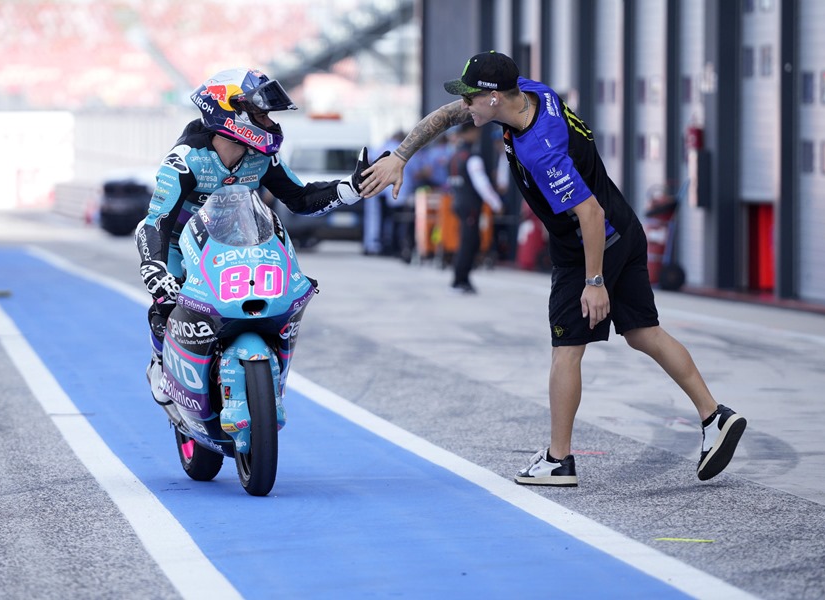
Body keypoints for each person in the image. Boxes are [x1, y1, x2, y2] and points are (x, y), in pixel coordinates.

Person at [360, 51, 746, 486]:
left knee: (567, 350)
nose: (463, 106)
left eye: (469, 97)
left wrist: (594, 281)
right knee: (643, 332)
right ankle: (714, 416)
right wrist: (401, 155)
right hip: (627, 227)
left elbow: (591, 214)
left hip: (592, 244)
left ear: (492, 100)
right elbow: (448, 115)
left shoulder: (541, 150)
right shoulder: (529, 95)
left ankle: (558, 460)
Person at [136, 67, 377, 409]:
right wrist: (154, 268)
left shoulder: (262, 157)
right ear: (231, 112)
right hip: (180, 246)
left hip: (237, 243)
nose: (269, 122)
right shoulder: (186, 159)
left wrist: (350, 189)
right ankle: (160, 362)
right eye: (260, 113)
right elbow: (154, 222)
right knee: (167, 301)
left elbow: (300, 199)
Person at [447, 121, 502, 293]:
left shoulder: (456, 156)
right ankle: (460, 280)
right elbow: (481, 184)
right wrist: (496, 203)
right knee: (469, 242)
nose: (478, 135)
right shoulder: (472, 157)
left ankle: (461, 278)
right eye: (476, 132)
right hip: (470, 205)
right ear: (469, 132)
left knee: (470, 240)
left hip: (459, 202)